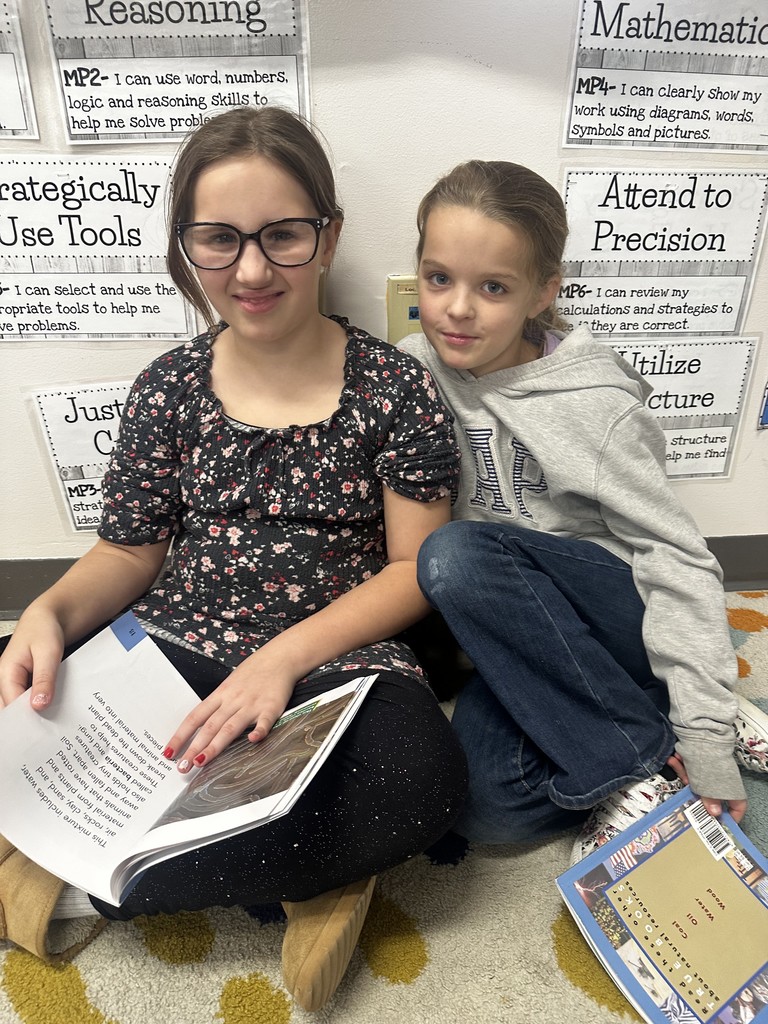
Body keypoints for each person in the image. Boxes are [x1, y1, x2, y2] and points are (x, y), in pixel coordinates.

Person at [0, 106, 468, 1010]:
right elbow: (129, 550)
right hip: (180, 643)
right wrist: (49, 616)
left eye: (282, 236)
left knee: (426, 782)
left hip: (339, 666)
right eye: (220, 240)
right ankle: (268, 865)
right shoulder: (170, 386)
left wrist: (282, 659)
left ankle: (94, 869)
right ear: (187, 250)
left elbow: (416, 568)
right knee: (30, 699)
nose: (251, 270)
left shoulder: (395, 385)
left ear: (326, 239)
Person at [398, 158, 765, 864]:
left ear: (543, 293)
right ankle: (648, 727)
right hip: (530, 645)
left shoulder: (595, 403)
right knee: (481, 808)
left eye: (494, 287)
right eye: (439, 277)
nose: (458, 308)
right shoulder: (412, 368)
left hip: (614, 612)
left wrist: (707, 740)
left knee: (454, 553)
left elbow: (678, 558)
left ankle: (660, 735)